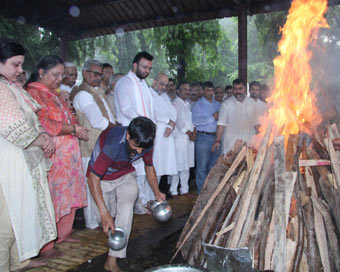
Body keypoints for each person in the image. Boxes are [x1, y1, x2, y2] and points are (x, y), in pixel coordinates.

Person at [0, 39, 57, 271]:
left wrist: (43, 135)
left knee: (19, 216)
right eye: (15, 65)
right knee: (6, 224)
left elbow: (32, 119)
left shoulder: (12, 87)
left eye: (21, 65)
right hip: (7, 165)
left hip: (21, 161)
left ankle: (19, 261)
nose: (20, 71)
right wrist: (41, 140)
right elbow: (14, 128)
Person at [26, 55, 89, 258]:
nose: (59, 78)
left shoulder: (57, 94)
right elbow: (44, 124)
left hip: (68, 155)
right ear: (41, 72)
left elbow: (70, 117)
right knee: (52, 197)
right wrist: (74, 129)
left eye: (62, 74)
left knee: (68, 196)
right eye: (55, 74)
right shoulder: (33, 92)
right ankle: (46, 244)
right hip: (53, 156)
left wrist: (75, 125)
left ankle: (63, 233)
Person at [87, 117, 165, 272]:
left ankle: (112, 261)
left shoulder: (145, 141)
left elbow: (149, 166)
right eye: (136, 146)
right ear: (128, 135)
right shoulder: (113, 143)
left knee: (126, 210)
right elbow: (93, 179)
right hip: (101, 179)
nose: (139, 151)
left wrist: (157, 192)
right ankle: (109, 219)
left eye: (143, 148)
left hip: (125, 176)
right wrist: (104, 213)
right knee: (104, 217)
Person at [71, 59, 117, 229]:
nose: (99, 77)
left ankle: (103, 219)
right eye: (95, 74)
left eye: (100, 74)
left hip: (102, 145)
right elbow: (98, 121)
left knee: (102, 184)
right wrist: (117, 129)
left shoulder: (97, 91)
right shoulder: (84, 94)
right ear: (84, 73)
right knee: (92, 186)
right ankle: (92, 224)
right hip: (90, 147)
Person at [114, 51, 157, 214]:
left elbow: (151, 109)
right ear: (134, 65)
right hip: (131, 134)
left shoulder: (143, 85)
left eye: (149, 68)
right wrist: (145, 124)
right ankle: (133, 204)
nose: (147, 71)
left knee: (144, 168)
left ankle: (143, 201)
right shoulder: (125, 83)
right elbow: (126, 109)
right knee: (132, 171)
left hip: (145, 134)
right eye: (144, 67)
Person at [212, 78, 258, 155]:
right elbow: (221, 125)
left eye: (240, 88)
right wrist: (217, 140)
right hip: (231, 144)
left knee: (248, 165)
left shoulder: (252, 102)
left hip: (248, 142)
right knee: (229, 166)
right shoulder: (226, 104)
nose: (238, 91)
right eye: (235, 89)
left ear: (245, 89)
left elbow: (256, 123)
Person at [192, 81, 221, 193]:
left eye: (211, 90)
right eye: (207, 90)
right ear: (203, 91)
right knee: (202, 167)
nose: (210, 93)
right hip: (203, 137)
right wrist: (212, 117)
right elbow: (196, 121)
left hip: (216, 137)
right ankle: (201, 193)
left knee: (213, 166)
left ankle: (211, 192)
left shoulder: (217, 105)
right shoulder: (197, 105)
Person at [150, 72, 177, 183]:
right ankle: (148, 198)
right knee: (153, 165)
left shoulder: (164, 96)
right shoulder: (148, 94)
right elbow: (153, 113)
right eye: (162, 84)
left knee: (162, 167)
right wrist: (168, 121)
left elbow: (174, 112)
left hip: (166, 134)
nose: (164, 88)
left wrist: (170, 126)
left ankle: (156, 195)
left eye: (166, 85)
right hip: (155, 133)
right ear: (154, 81)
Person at [170, 82, 196, 196]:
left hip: (189, 139)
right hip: (180, 139)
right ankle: (173, 191)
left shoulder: (187, 104)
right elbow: (179, 122)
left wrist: (194, 132)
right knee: (177, 166)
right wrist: (190, 134)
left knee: (186, 165)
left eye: (188, 89)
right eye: (184, 89)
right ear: (178, 91)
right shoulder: (175, 104)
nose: (187, 91)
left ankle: (184, 190)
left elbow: (191, 121)